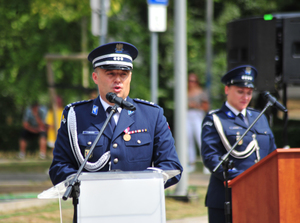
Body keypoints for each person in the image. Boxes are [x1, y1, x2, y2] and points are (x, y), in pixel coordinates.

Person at [49, 41, 183, 188]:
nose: (118, 80)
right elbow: (59, 167)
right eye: (111, 74)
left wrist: (144, 183)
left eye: (123, 74)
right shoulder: (76, 116)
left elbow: (171, 165)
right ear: (95, 77)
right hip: (92, 205)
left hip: (139, 204)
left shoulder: (152, 115)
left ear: (130, 77)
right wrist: (80, 185)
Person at [201, 65, 277, 223]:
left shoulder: (260, 117)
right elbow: (211, 158)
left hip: (260, 195)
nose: (246, 97)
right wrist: (243, 181)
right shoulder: (215, 119)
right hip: (227, 197)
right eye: (240, 92)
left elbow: (271, 154)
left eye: (249, 93)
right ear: (227, 89)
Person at [187, 73, 209, 173]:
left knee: (200, 139)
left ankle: (206, 163)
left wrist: (195, 105)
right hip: (187, 115)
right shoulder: (184, 92)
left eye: (193, 81)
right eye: (190, 81)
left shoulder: (201, 92)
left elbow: (206, 107)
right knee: (188, 140)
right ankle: (191, 163)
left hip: (197, 116)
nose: (191, 83)